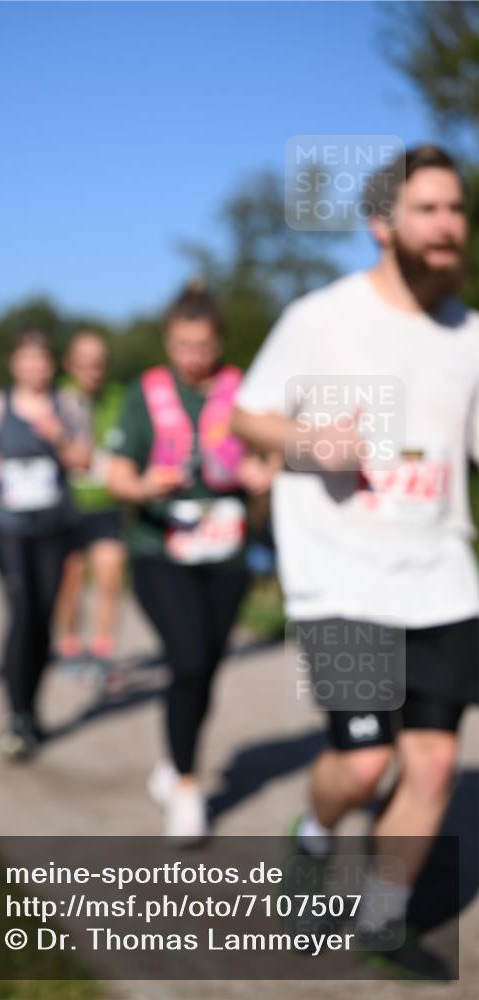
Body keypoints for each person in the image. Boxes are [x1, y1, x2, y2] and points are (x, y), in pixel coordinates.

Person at [232, 145, 479, 979]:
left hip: (441, 575)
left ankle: (382, 919)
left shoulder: (470, 335)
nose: (448, 226)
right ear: (382, 224)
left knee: (436, 759)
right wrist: (308, 440)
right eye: (429, 210)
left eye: (456, 210)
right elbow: (248, 416)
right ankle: (312, 836)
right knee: (366, 759)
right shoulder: (321, 317)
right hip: (339, 575)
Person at [108, 281, 274, 842]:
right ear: (167, 340)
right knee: (187, 660)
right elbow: (116, 475)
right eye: (182, 345)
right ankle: (186, 786)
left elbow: (269, 455)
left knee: (205, 667)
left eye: (203, 346)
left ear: (219, 341)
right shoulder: (144, 393)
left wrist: (262, 476)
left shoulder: (245, 390)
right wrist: (145, 486)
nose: (193, 358)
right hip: (161, 549)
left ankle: (175, 760)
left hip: (227, 553)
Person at [0, 330, 90, 760]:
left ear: (52, 365)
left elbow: (83, 460)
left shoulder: (68, 404)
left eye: (42, 360)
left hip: (55, 524)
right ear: (14, 364)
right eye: (27, 359)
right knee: (21, 612)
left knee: (43, 617)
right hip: (8, 525)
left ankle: (32, 707)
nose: (35, 368)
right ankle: (16, 715)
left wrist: (58, 435)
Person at [55, 331, 126, 684]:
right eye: (84, 360)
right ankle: (69, 647)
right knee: (69, 582)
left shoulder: (121, 399)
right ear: (70, 363)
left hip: (107, 503)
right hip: (67, 505)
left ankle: (102, 652)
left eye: (98, 360)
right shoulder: (57, 400)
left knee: (110, 576)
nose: (92, 368)